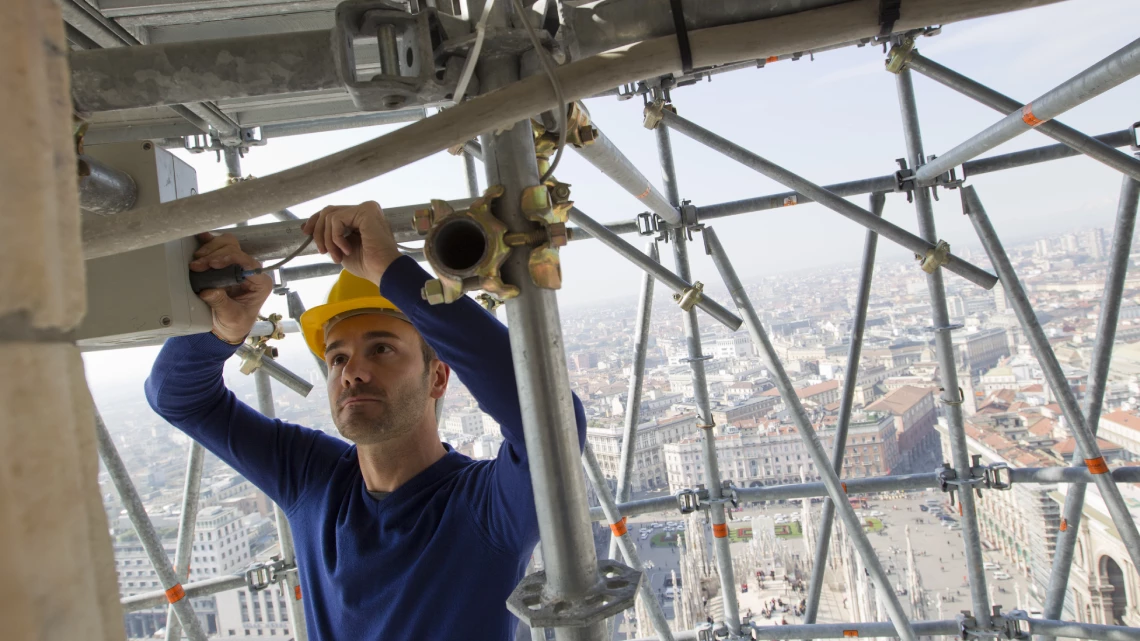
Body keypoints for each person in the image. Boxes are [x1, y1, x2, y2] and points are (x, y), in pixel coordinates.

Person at [146, 202, 586, 641]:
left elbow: (552, 422)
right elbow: (177, 397)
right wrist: (223, 328)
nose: (352, 372)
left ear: (436, 376)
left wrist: (392, 270)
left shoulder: (486, 509)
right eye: (337, 357)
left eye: (381, 349)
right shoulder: (314, 481)